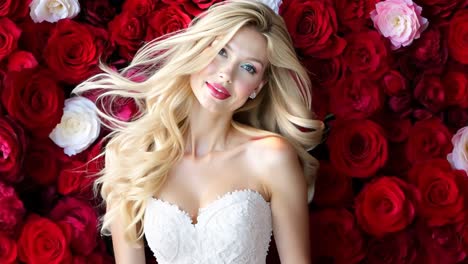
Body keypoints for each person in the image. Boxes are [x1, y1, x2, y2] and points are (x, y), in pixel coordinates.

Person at [73, 0, 324, 263]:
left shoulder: (271, 157)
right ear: (199, 49)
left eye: (248, 67)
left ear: (257, 87)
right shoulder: (132, 155)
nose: (226, 74)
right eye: (221, 52)